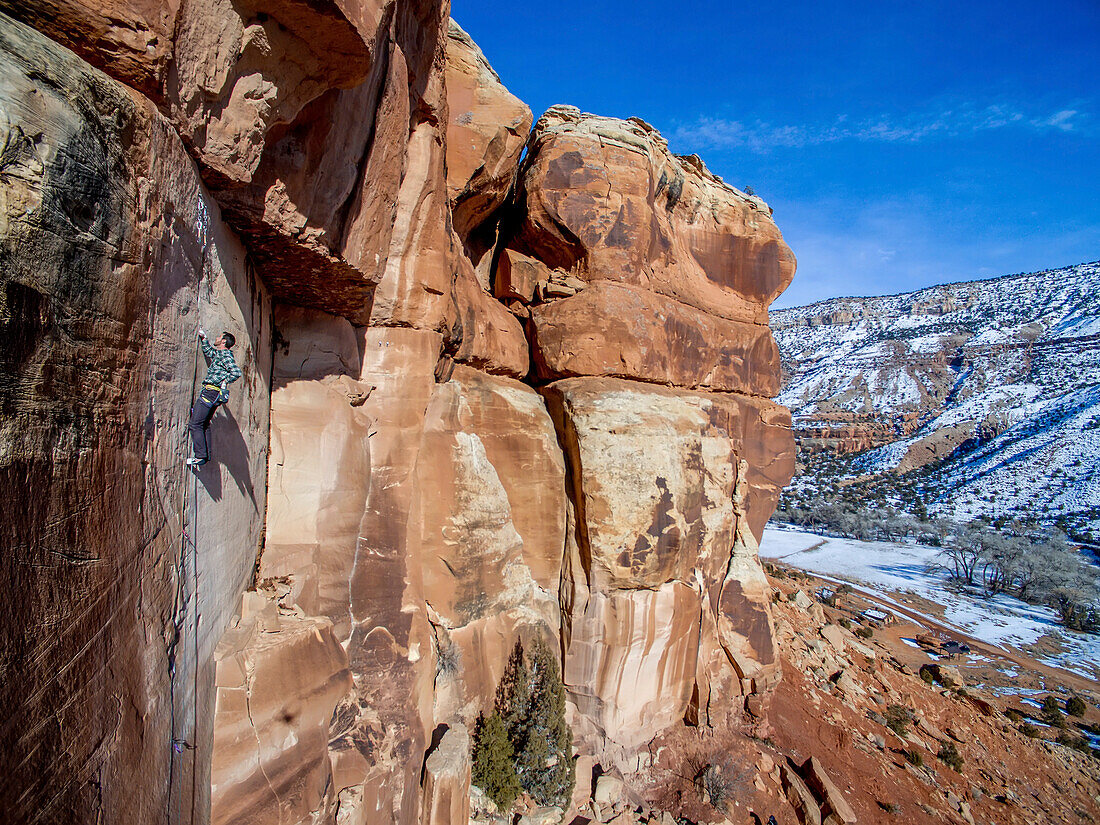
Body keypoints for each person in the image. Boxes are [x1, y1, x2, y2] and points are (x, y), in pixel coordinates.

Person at [186, 329, 242, 467]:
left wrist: (223, 381)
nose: (216, 338)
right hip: (213, 394)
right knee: (204, 424)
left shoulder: (226, 355)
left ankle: (200, 456)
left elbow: (236, 372)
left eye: (219, 337)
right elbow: (210, 353)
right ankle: (206, 455)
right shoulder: (221, 354)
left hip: (210, 392)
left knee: (195, 424)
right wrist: (204, 338)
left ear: (223, 341)